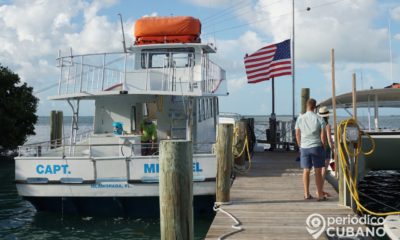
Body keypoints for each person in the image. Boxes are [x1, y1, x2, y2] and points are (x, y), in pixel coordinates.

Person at [295, 98, 327, 201]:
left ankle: (306, 194)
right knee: (318, 171)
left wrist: (300, 145)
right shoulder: (319, 119)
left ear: (306, 106)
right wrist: (324, 146)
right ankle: (320, 195)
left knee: (306, 170)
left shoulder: (300, 118)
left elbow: (297, 133)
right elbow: (323, 136)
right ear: (315, 107)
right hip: (316, 146)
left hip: (304, 147)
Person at [318, 106, 334, 197]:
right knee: (324, 169)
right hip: (325, 148)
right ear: (327, 115)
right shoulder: (327, 125)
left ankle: (319, 189)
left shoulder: (318, 123)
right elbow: (329, 139)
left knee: (319, 169)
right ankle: (321, 190)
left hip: (318, 147)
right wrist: (333, 148)